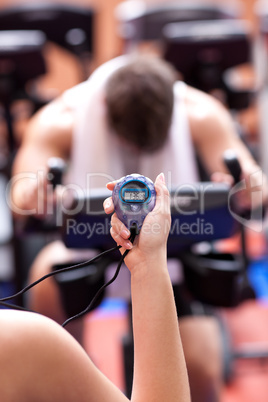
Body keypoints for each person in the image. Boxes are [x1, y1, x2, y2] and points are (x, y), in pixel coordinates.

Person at [10, 53, 267, 402]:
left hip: (179, 248)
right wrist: (34, 194)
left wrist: (246, 190)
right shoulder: (62, 118)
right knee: (45, 289)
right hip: (92, 247)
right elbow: (22, 192)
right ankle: (81, 375)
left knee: (202, 370)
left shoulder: (200, 111)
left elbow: (255, 184)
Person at [0, 174, 191, 402]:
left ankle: (82, 376)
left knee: (202, 359)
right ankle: (82, 374)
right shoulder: (25, 341)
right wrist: (148, 264)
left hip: (181, 264)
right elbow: (25, 180)